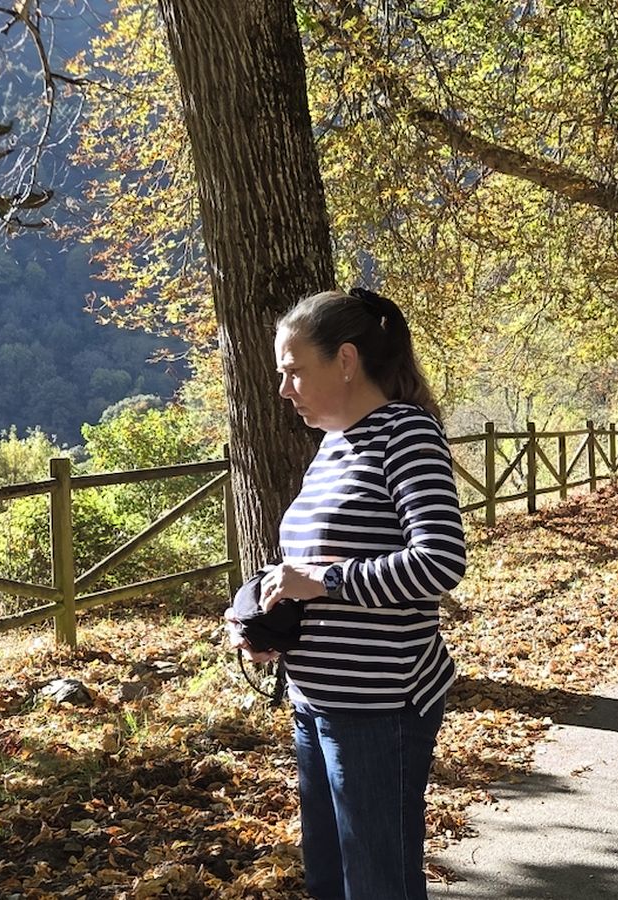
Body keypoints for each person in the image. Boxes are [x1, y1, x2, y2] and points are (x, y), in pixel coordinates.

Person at [225, 287, 465, 900]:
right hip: (315, 697)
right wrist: (261, 611)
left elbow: (440, 563)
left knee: (379, 883)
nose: (284, 390)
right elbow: (313, 562)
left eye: (295, 371)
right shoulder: (333, 446)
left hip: (379, 704)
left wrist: (322, 581)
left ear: (347, 361)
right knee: (330, 880)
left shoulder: (406, 436)